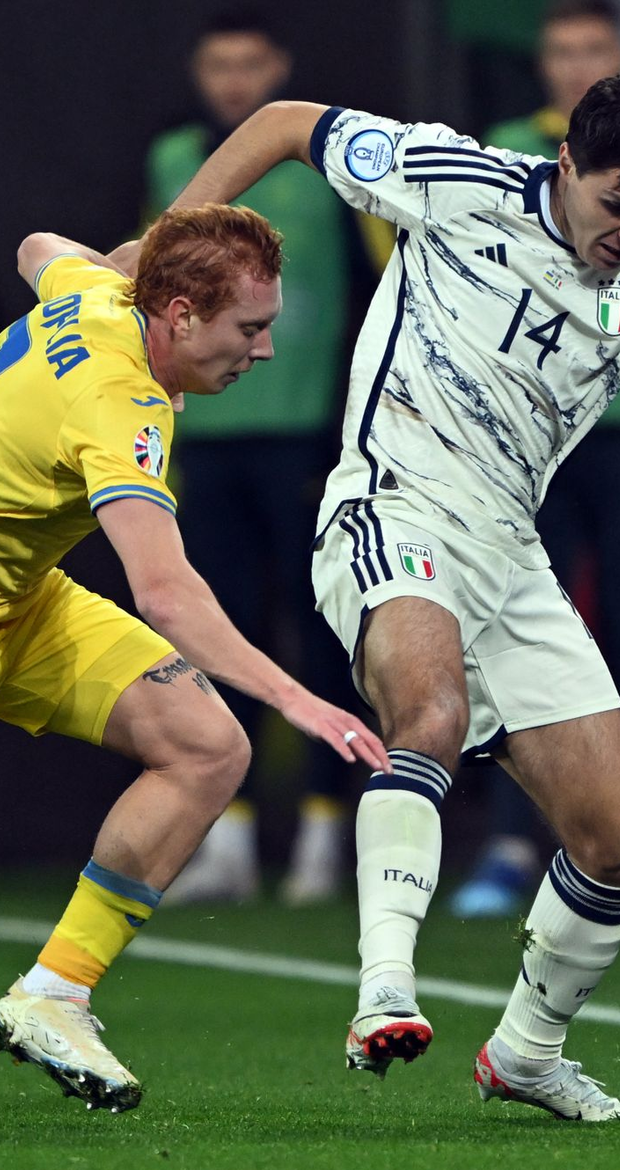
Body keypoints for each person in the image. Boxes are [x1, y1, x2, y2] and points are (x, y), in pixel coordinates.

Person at [116, 71, 620, 1120]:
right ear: (566, 162)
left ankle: (526, 1051)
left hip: (509, 553)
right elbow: (287, 123)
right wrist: (162, 245)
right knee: (429, 709)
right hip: (392, 504)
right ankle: (384, 985)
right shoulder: (456, 178)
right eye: (617, 202)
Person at [0, 203, 388, 1113]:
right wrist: (302, 698)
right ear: (179, 316)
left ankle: (53, 994)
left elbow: (36, 248)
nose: (261, 349)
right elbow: (167, 593)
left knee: (209, 746)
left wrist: (154, 253)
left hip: (21, 603)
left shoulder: (98, 289)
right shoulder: (121, 402)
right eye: (250, 328)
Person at [451, 0, 620, 920]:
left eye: (593, 48)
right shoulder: (506, 150)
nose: (575, 63)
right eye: (561, 50)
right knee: (511, 641)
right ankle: (511, 845)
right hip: (529, 445)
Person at [144, 12, 380, 906]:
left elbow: (371, 297)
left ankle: (327, 831)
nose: (235, 81)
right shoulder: (173, 163)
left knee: (324, 628)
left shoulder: (329, 165)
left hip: (309, 440)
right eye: (219, 64)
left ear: (280, 66)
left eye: (251, 64)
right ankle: (230, 836)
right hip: (206, 437)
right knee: (218, 628)